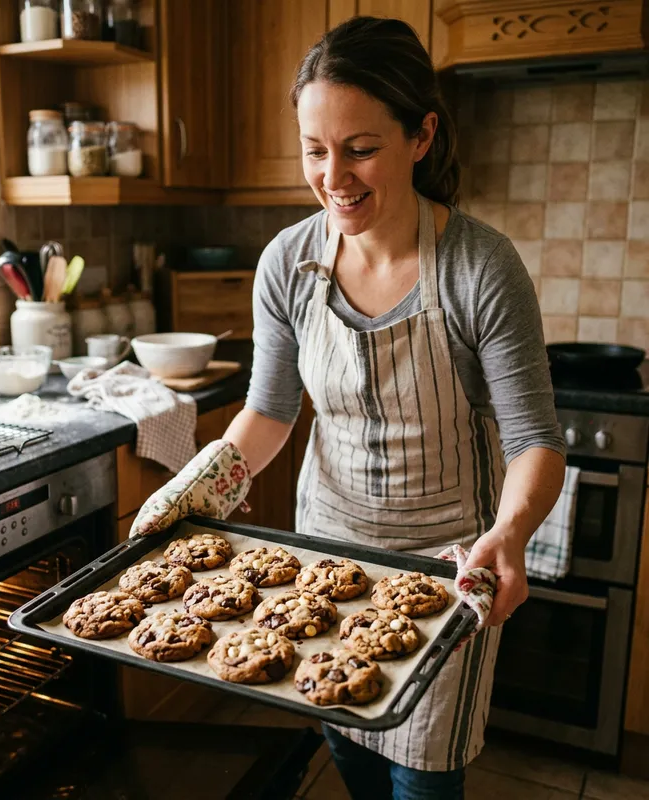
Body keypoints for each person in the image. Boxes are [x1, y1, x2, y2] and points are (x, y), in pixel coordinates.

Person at [131, 15, 566, 800]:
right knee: (357, 763)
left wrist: (508, 534)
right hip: (324, 564)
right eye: (315, 149)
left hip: (447, 577)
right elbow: (267, 413)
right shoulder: (287, 264)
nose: (335, 176)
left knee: (422, 785)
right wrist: (195, 484)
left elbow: (536, 438)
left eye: (361, 148)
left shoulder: (479, 267)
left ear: (421, 135)